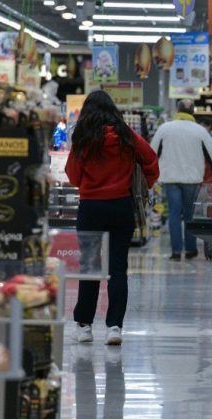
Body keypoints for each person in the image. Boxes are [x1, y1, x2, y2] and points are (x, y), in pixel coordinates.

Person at [65, 90, 159, 345]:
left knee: (90, 266)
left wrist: (89, 182)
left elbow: (72, 175)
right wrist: (143, 184)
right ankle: (114, 327)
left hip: (91, 207)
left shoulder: (84, 137)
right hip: (121, 206)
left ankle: (84, 326)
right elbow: (151, 159)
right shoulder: (126, 135)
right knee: (118, 268)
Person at [151, 100, 212, 261]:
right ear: (193, 112)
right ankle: (191, 250)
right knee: (190, 215)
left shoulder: (164, 128)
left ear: (178, 110)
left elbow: (152, 152)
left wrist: (149, 174)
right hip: (192, 179)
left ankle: (176, 251)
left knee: (174, 214)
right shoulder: (200, 131)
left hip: (170, 178)